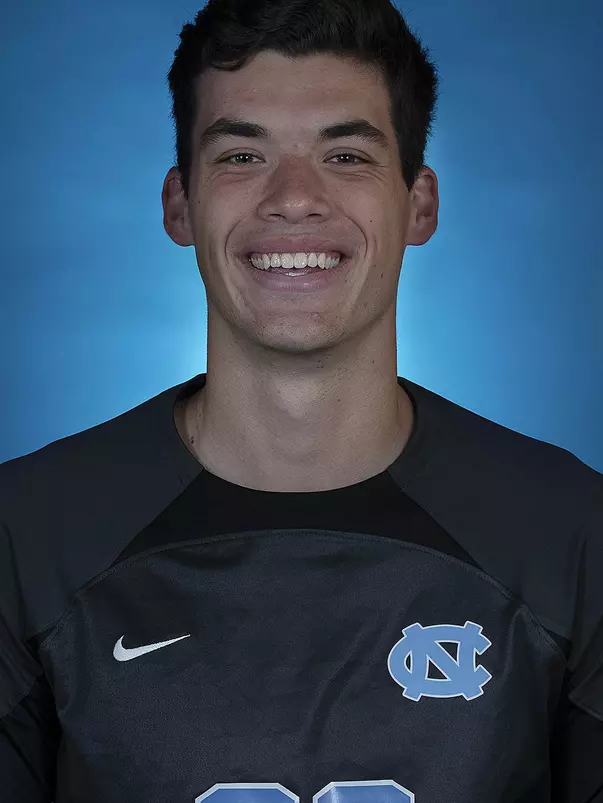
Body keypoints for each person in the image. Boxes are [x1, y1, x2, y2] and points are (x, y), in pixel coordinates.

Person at [1, 0, 602, 800]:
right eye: (241, 156)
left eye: (346, 155)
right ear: (178, 203)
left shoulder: (568, 532)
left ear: (418, 202)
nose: (292, 197)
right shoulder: (28, 535)